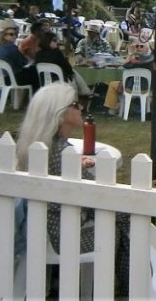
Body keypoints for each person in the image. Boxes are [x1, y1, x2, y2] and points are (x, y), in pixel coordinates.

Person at [14, 83, 132, 297]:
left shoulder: (40, 145)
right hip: (63, 234)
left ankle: (125, 285)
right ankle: (129, 286)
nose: (82, 107)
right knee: (124, 220)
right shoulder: (61, 152)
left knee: (121, 217)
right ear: (60, 113)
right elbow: (94, 195)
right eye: (75, 104)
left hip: (41, 227)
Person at [0, 19, 39, 90]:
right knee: (35, 72)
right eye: (11, 34)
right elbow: (24, 63)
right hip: (10, 78)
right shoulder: (10, 47)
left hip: (2, 77)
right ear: (3, 35)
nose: (15, 36)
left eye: (16, 34)